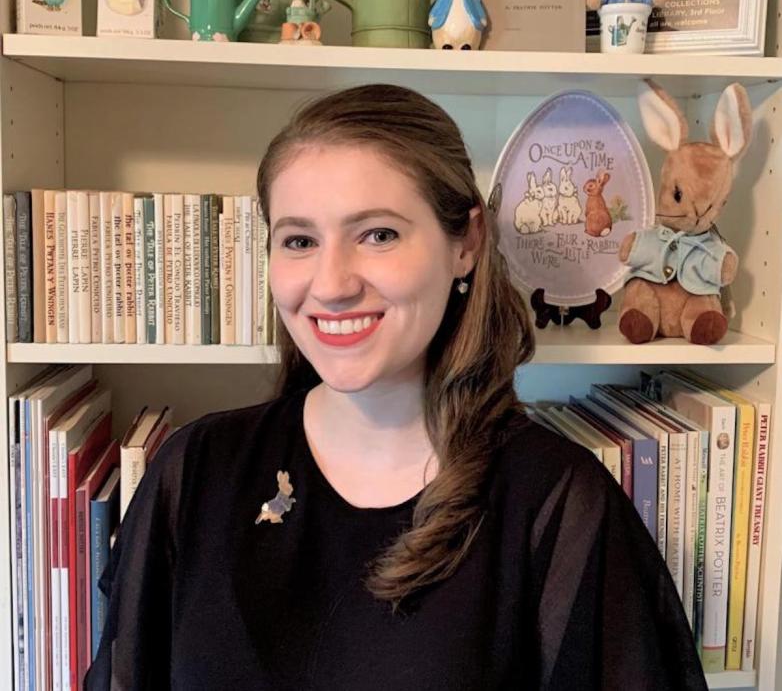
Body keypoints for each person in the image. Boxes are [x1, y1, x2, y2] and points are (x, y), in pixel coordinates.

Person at [85, 84, 707, 690]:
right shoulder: (193, 472)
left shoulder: (556, 503)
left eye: (378, 234)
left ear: (466, 244)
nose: (331, 284)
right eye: (299, 240)